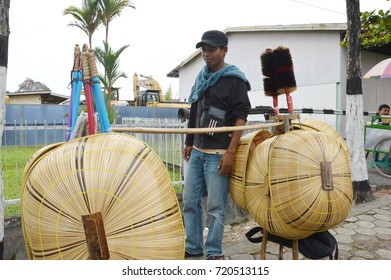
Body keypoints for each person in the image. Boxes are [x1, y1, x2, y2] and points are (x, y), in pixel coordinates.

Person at [182, 30, 251, 260]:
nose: (206, 54)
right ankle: (193, 247)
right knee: (190, 201)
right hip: (198, 151)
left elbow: (241, 116)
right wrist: (189, 142)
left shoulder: (235, 79)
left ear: (224, 50)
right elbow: (195, 109)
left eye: (211, 49)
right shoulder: (201, 77)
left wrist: (230, 152)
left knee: (215, 207)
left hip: (218, 154)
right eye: (204, 49)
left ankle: (213, 252)